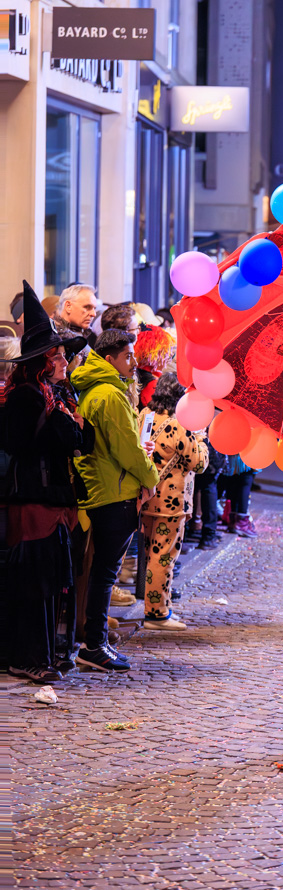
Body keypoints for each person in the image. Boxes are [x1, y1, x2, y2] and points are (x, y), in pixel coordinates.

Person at [2, 281, 93, 683]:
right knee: (33, 586)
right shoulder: (25, 396)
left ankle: (48, 653)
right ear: (41, 361)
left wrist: (66, 419)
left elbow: (82, 442)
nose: (64, 362)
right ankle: (29, 657)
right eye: (57, 356)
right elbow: (25, 443)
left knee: (54, 583)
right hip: (32, 502)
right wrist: (63, 422)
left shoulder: (51, 394)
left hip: (54, 500)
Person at [71, 329, 159, 671]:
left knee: (102, 571)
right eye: (128, 357)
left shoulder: (100, 388)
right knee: (105, 573)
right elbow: (126, 449)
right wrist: (150, 476)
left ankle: (95, 642)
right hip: (113, 492)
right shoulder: (109, 393)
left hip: (106, 488)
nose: (134, 362)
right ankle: (94, 645)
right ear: (110, 359)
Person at [139, 372, 207, 629]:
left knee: (151, 555)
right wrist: (201, 438)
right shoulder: (181, 423)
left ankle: (157, 608)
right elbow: (198, 463)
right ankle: (156, 613)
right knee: (163, 557)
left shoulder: (145, 414)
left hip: (147, 497)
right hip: (172, 503)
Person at [134, 324, 174, 409]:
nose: (170, 355)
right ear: (156, 354)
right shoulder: (152, 383)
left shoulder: (135, 372)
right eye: (166, 352)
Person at [218, 454, 258, 538]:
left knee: (234, 481)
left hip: (232, 451)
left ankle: (233, 520)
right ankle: (241, 522)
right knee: (245, 481)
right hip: (246, 452)